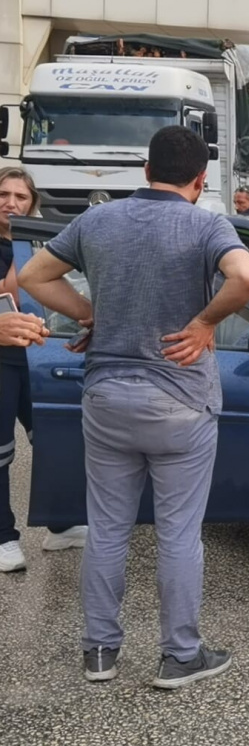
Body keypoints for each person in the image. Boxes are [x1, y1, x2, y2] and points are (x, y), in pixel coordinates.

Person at [19, 126, 249, 688]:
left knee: (106, 528)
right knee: (178, 533)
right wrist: (204, 324)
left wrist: (87, 313)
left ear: (145, 170)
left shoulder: (98, 220)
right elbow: (247, 277)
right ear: (201, 180)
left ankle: (99, 651)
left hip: (107, 396)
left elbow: (33, 275)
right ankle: (180, 656)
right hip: (180, 399)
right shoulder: (206, 223)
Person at [0, 168, 79, 573]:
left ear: (33, 204)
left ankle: (62, 524)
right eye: (3, 194)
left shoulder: (43, 244)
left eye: (20, 197)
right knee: (0, 454)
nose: (10, 203)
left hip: (41, 359)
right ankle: (3, 538)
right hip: (1, 360)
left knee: (52, 440)